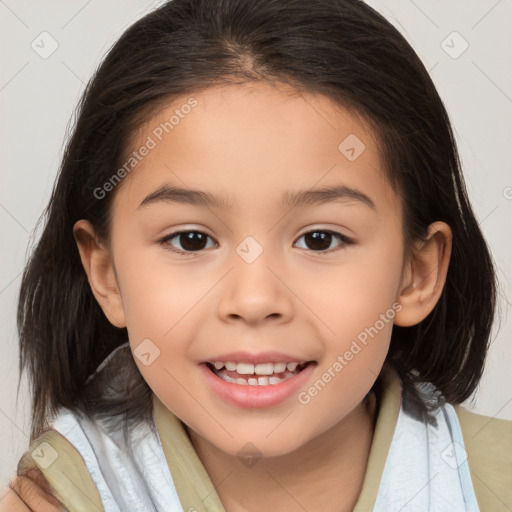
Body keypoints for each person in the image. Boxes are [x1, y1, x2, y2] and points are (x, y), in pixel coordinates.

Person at [1, 0, 510, 510]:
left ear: (415, 274)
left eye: (320, 239)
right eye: (191, 240)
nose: (254, 299)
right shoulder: (56, 497)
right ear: (106, 274)